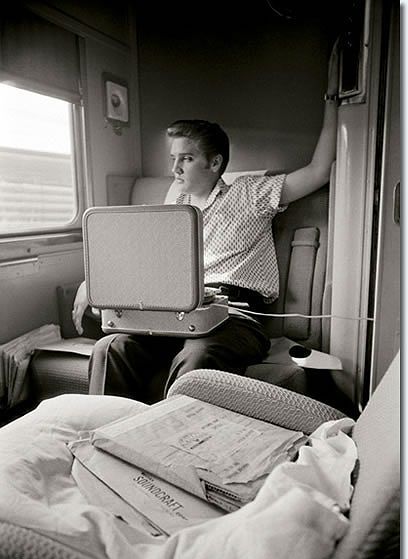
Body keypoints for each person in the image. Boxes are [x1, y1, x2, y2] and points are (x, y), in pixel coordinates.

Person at [72, 44, 339, 403]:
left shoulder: (252, 193)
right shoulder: (174, 202)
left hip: (235, 315)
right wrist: (94, 280)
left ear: (214, 164)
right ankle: (108, 436)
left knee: (197, 357)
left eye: (186, 158)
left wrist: (333, 101)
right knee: (112, 347)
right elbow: (148, 262)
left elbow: (319, 171)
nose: (175, 168)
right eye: (173, 158)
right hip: (177, 311)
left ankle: (174, 445)